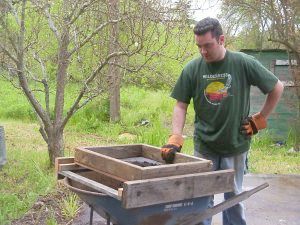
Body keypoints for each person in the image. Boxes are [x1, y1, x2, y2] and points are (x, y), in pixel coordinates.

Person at [160, 17, 284, 225]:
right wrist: (176, 135)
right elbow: (181, 105)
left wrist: (260, 118)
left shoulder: (242, 63)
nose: (203, 51)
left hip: (235, 144)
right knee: (201, 198)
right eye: (199, 46)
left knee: (234, 198)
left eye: (207, 45)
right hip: (204, 146)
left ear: (221, 40)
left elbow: (276, 87)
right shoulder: (192, 69)